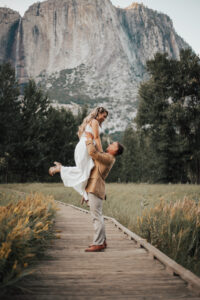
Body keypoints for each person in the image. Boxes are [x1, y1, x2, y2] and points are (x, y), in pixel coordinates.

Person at [48, 107, 108, 203]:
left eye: (106, 117)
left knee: (88, 172)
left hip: (84, 147)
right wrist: (102, 153)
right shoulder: (95, 122)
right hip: (85, 147)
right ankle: (60, 169)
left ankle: (86, 195)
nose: (104, 118)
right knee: (85, 171)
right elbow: (96, 138)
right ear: (98, 114)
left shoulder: (90, 122)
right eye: (103, 116)